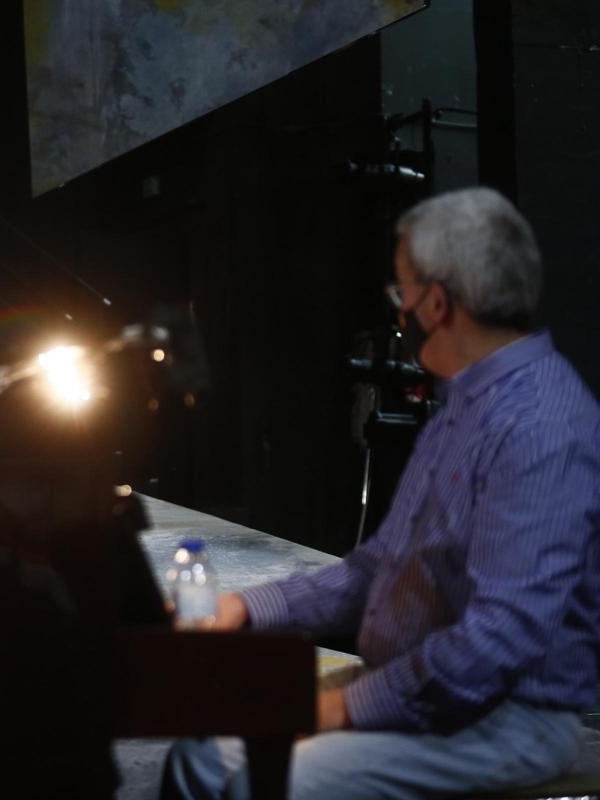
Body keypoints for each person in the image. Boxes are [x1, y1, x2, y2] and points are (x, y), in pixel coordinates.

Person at [160, 187, 600, 800]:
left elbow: (497, 640)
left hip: (503, 717)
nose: (398, 314)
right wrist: (248, 607)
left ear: (438, 303)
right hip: (423, 688)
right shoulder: (465, 404)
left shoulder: (540, 426)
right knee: (201, 756)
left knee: (272, 781)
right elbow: (378, 569)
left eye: (401, 295)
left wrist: (343, 709)